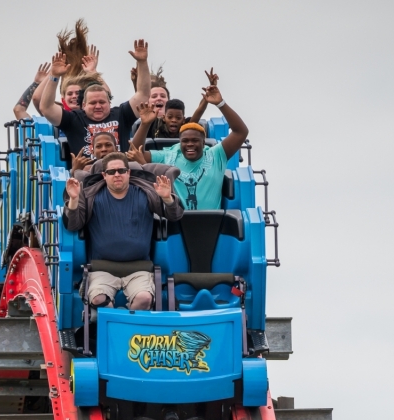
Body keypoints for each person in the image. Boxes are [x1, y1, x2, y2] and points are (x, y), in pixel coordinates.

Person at [63, 152, 183, 310]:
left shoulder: (146, 192)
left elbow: (175, 215)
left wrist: (167, 198)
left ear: (128, 172)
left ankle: (129, 329)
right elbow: (73, 224)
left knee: (145, 299)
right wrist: (73, 199)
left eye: (121, 171)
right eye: (111, 172)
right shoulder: (89, 195)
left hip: (139, 268)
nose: (117, 175)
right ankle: (110, 330)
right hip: (102, 268)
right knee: (99, 299)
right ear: (104, 175)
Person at [131, 74, 248, 211]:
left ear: (204, 143)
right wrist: (145, 124)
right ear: (179, 142)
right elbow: (135, 152)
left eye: (195, 140)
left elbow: (241, 132)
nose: (190, 144)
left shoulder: (216, 155)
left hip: (211, 225)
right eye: (185, 141)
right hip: (176, 224)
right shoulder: (169, 155)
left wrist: (220, 103)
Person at [40, 40, 150, 158]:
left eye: (102, 102)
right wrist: (54, 76)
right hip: (89, 173)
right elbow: (46, 108)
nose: (98, 106)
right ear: (83, 105)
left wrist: (142, 62)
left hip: (121, 171)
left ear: (109, 102)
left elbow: (143, 95)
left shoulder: (121, 114)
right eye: (93, 103)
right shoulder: (73, 119)